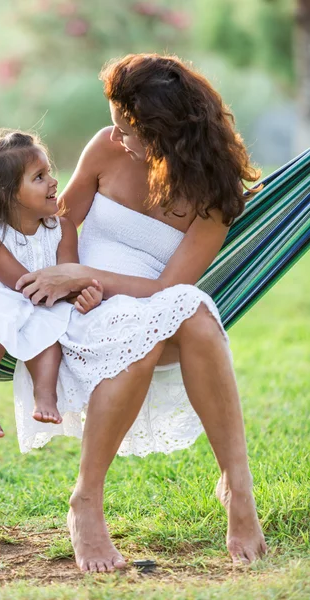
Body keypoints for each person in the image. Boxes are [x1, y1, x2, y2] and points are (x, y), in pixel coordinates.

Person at [14, 54, 268, 572]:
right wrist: (69, 277)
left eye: (128, 128)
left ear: (166, 132)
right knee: (175, 319)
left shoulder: (214, 193)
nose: (116, 136)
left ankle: (237, 487)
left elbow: (167, 287)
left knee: (187, 310)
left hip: (149, 304)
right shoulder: (107, 150)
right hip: (81, 312)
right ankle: (86, 501)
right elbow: (62, 220)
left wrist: (90, 279)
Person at [0, 128, 103, 438]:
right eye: (39, 177)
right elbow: (22, 285)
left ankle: (45, 394)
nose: (53, 181)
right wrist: (63, 292)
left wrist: (84, 294)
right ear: (7, 194)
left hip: (44, 302)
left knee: (52, 327)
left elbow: (69, 273)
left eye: (49, 172)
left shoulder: (62, 228)